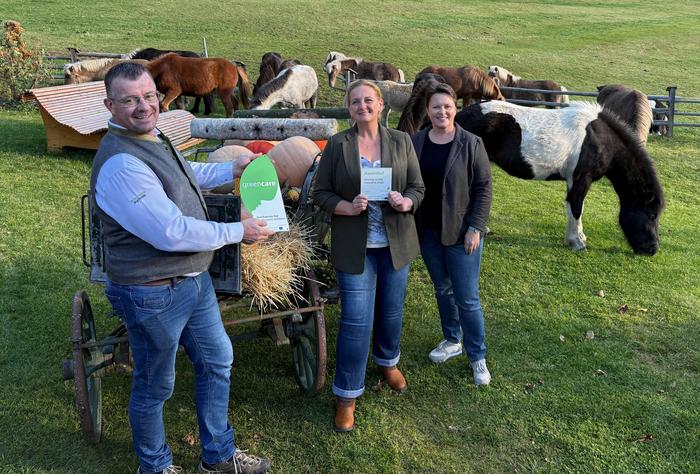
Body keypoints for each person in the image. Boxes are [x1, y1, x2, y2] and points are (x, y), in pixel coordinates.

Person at [91, 62, 274, 474]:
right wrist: (236, 231)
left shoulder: (153, 136)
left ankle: (219, 457)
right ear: (110, 104)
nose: (144, 105)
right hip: (152, 291)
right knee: (156, 384)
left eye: (149, 95)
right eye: (130, 100)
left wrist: (232, 169)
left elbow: (184, 175)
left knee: (217, 361)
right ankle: (155, 467)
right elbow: (170, 233)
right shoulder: (122, 163)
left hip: (193, 282)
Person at [313, 79, 424, 432]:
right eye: (356, 102)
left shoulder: (401, 141)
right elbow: (321, 193)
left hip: (395, 244)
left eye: (369, 100)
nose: (363, 106)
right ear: (350, 109)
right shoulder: (337, 145)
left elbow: (417, 187)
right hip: (355, 247)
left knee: (391, 312)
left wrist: (406, 202)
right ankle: (347, 394)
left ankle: (387, 361)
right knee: (356, 322)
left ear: (380, 105)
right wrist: (345, 206)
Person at [410, 83, 493, 385]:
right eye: (435, 107)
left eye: (447, 106)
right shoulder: (417, 141)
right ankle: (452, 340)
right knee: (442, 289)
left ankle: (477, 356)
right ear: (428, 111)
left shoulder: (471, 143)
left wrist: (476, 227)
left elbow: (484, 188)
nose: (441, 111)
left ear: (455, 108)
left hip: (462, 233)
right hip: (428, 232)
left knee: (467, 297)